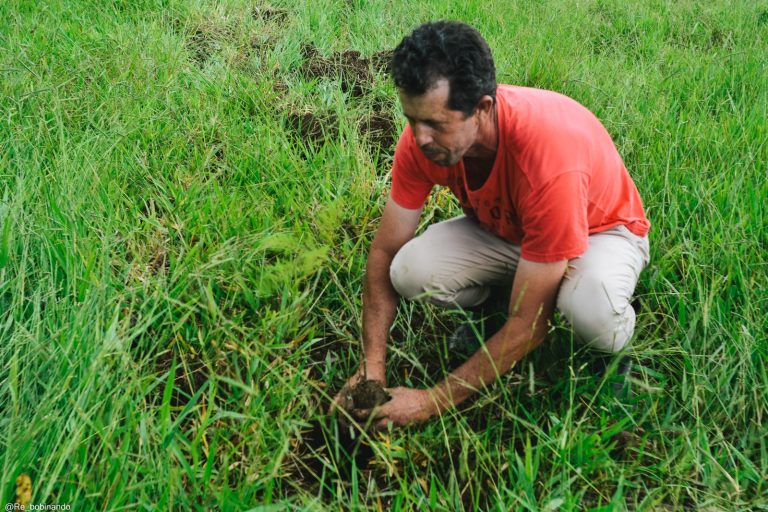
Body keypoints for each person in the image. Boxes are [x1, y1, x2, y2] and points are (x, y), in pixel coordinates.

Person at [332, 20, 651, 429]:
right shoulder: (421, 142)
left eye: (435, 124)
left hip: (598, 233)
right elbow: (385, 249)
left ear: (482, 109)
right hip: (513, 231)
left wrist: (430, 401)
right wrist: (371, 368)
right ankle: (498, 305)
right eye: (412, 119)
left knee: (591, 311)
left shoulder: (548, 156)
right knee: (410, 270)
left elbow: (531, 324)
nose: (419, 137)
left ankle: (613, 349)